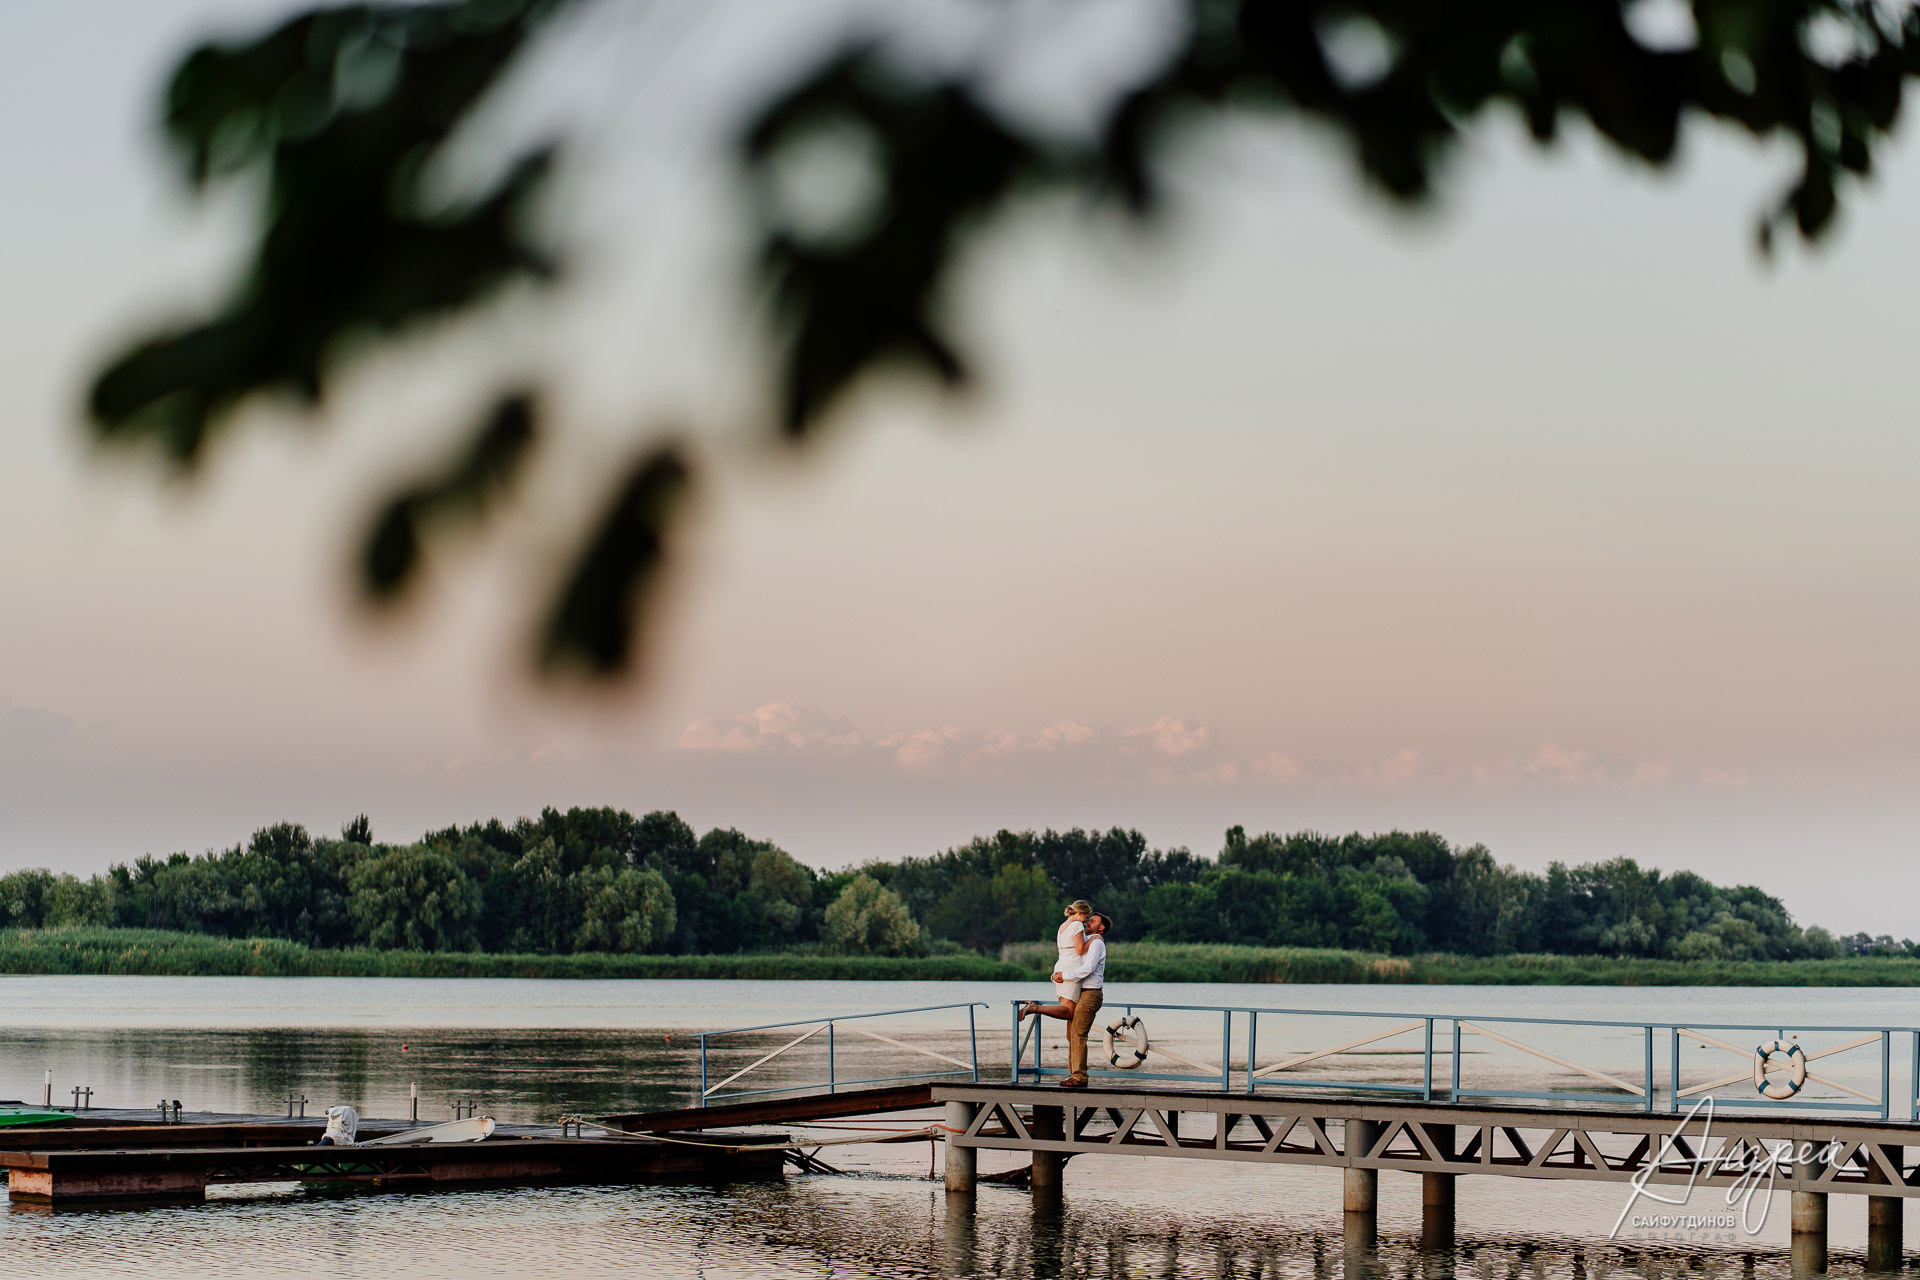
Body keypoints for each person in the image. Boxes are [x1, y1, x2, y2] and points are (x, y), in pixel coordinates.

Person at [1055, 912, 1109, 1088]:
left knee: (1078, 1033)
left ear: (1101, 928)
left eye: (1093, 920)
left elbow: (1088, 968)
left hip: (1091, 992)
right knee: (1071, 1034)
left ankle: (1079, 1077)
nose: (1088, 921)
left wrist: (1066, 976)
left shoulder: (1096, 943)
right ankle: (1074, 1074)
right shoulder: (1086, 941)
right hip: (1080, 992)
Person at [1017, 900, 1090, 1023]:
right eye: (1086, 917)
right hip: (1071, 968)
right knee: (1069, 1011)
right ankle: (1035, 1008)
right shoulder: (1077, 925)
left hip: (1061, 965)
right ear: (1080, 913)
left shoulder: (1062, 926)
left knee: (1066, 1008)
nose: (1085, 921)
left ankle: (1035, 1008)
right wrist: (1093, 939)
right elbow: (1080, 949)